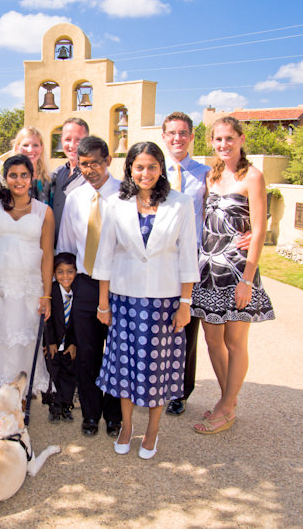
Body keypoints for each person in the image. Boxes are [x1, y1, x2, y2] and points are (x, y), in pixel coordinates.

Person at [93, 142, 199, 459]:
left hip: (164, 302)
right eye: (139, 167)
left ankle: (152, 431)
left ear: (161, 169)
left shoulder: (180, 204)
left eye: (152, 166)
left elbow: (187, 257)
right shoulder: (115, 203)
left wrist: (185, 303)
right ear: (129, 169)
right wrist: (103, 304)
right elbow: (105, 256)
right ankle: (127, 427)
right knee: (125, 367)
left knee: (157, 369)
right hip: (124, 300)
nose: (146, 173)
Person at [191, 116, 275, 435]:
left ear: (241, 139)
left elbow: (260, 229)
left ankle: (226, 407)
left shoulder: (252, 176)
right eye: (218, 139)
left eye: (229, 138)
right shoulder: (211, 176)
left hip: (238, 270)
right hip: (209, 269)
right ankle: (229, 401)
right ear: (211, 142)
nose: (223, 144)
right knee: (213, 340)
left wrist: (248, 279)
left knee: (235, 340)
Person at [57, 135, 122, 438]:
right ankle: (91, 414)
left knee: (117, 352)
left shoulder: (126, 195)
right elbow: (67, 247)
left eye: (96, 162)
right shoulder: (75, 198)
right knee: (87, 353)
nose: (90, 169)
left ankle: (114, 415)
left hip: (119, 286)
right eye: (84, 164)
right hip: (85, 284)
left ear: (107, 160)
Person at [0, 154, 54, 398]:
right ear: (5, 178)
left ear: (32, 178)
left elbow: (47, 256)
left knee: (23, 343)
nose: (19, 180)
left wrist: (47, 295)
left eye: (24, 175)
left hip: (27, 290)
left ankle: (19, 398)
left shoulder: (45, 212)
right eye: (13, 175)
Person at [43, 252, 79, 423]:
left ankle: (67, 406)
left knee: (69, 376)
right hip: (54, 345)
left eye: (70, 271)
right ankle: (55, 407)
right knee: (54, 376)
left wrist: (73, 343)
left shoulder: (79, 293)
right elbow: (46, 322)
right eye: (60, 272)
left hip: (69, 346)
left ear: (76, 272)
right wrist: (49, 342)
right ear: (54, 274)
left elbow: (78, 323)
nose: (65, 276)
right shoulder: (52, 294)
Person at [50, 118, 89, 244]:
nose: (72, 145)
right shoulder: (57, 174)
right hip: (55, 251)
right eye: (68, 139)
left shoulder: (92, 178)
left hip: (79, 252)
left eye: (79, 140)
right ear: (61, 141)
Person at [9, 126, 52, 205]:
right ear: (17, 148)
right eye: (25, 145)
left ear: (41, 148)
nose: (30, 150)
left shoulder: (49, 181)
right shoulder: (8, 180)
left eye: (35, 145)